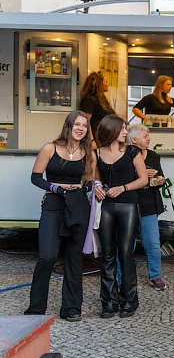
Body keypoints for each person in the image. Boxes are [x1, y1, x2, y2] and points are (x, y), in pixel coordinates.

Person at [26, 111, 95, 322]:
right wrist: (55, 187)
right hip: (54, 205)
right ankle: (36, 307)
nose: (81, 128)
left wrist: (82, 186)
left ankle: (72, 308)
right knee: (47, 256)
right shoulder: (50, 148)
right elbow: (35, 178)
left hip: (77, 206)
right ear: (68, 126)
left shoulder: (88, 152)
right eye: (77, 124)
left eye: (84, 125)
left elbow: (90, 181)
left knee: (74, 258)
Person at [93, 115, 149, 318]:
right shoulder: (96, 153)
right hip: (106, 206)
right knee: (107, 254)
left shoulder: (132, 151)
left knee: (125, 253)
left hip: (128, 205)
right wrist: (96, 186)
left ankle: (129, 300)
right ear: (111, 130)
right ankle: (108, 302)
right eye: (123, 129)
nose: (126, 132)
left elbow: (143, 180)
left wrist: (123, 187)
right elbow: (93, 179)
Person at [126, 124, 168, 291]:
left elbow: (160, 176)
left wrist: (158, 181)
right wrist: (141, 176)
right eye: (145, 136)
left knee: (152, 243)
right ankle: (122, 276)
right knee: (126, 244)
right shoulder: (124, 155)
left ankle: (155, 276)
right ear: (134, 139)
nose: (149, 138)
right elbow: (122, 180)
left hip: (149, 204)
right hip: (129, 204)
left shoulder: (153, 156)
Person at [79, 71, 115, 139]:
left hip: (104, 138)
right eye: (106, 82)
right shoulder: (90, 100)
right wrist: (91, 140)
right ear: (99, 84)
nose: (108, 84)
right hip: (95, 138)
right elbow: (85, 121)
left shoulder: (103, 99)